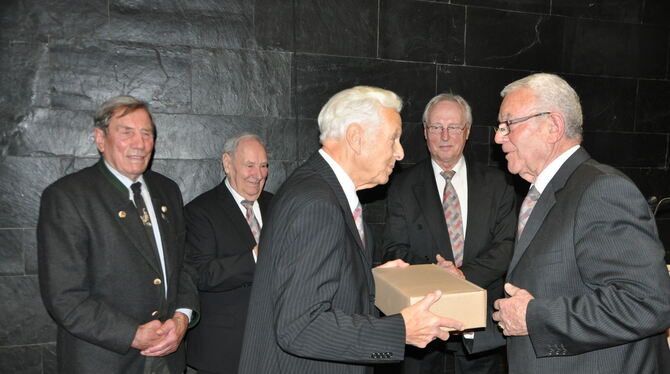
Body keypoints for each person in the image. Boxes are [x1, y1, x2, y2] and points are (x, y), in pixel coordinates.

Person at [238, 86, 464, 374]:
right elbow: (300, 325)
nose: (400, 152)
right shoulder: (317, 203)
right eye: (393, 139)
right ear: (356, 138)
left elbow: (312, 283)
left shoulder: (319, 188)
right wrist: (400, 330)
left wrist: (373, 279)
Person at [489, 73, 670, 373]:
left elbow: (648, 303)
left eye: (508, 124)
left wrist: (533, 317)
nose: (498, 136)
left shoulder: (601, 190)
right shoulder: (544, 193)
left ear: (552, 127)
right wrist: (461, 323)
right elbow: (538, 293)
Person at [37, 95, 199, 373]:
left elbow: (183, 264)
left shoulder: (167, 190)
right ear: (100, 139)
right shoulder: (68, 197)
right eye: (127, 133)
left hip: (168, 361)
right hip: (103, 361)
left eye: (147, 133)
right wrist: (132, 334)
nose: (140, 143)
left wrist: (182, 318)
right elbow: (65, 297)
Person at [381, 93, 516, 374]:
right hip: (423, 336)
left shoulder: (498, 183)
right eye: (436, 127)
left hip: (482, 333)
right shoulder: (401, 186)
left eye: (453, 127)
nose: (445, 135)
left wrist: (462, 275)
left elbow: (507, 246)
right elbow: (394, 249)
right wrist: (438, 273)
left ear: (466, 132)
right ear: (425, 132)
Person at [183, 133, 273, 374]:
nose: (258, 174)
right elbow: (201, 274)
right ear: (227, 163)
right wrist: (255, 257)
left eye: (264, 165)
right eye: (250, 165)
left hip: (275, 347)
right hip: (225, 353)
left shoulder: (278, 205)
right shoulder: (199, 212)